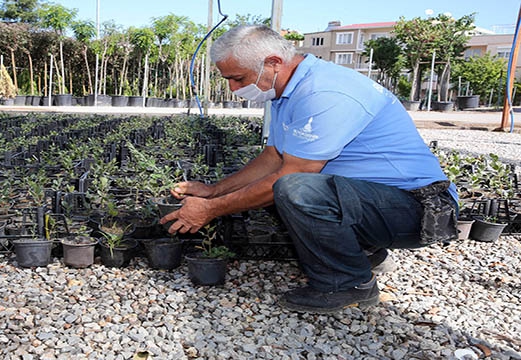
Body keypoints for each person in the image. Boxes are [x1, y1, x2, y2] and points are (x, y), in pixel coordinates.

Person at [159, 25, 458, 313]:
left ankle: (349, 284)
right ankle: (362, 254)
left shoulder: (324, 93)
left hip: (421, 207)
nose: (233, 88)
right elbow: (273, 158)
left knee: (295, 189)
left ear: (273, 63)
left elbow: (290, 175)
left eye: (238, 78)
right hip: (378, 200)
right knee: (278, 187)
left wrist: (210, 210)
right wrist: (214, 191)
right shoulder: (285, 90)